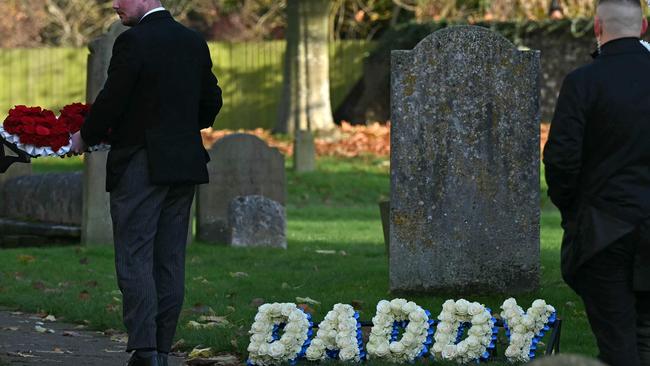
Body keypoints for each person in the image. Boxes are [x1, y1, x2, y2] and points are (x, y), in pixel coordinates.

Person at [70, 0, 222, 365]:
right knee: (169, 258)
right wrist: (178, 127)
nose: (115, 4)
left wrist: (85, 135)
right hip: (184, 163)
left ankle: (144, 349)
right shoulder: (192, 41)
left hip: (142, 163)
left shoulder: (133, 41)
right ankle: (162, 349)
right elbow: (211, 102)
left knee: (135, 254)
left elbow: (112, 99)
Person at [543, 0, 650, 365]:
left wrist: (574, 211)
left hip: (605, 229)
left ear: (597, 28)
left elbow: (560, 160)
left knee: (618, 342)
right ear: (644, 27)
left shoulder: (583, 83)